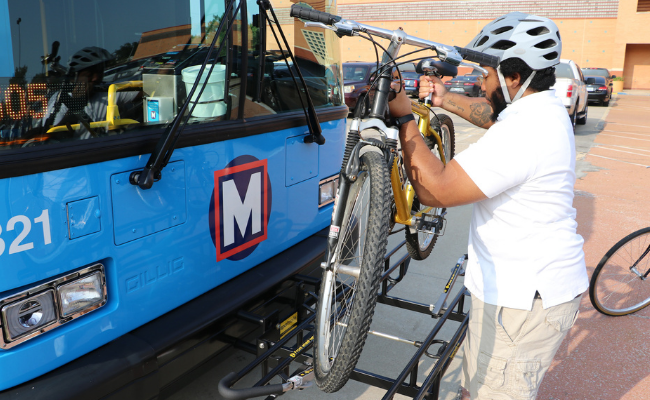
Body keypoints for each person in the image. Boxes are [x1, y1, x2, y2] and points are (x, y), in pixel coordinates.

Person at [388, 12, 589, 400]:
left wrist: (404, 118)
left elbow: (437, 190)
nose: (480, 80)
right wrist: (443, 99)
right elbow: (493, 117)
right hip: (524, 294)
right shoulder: (542, 109)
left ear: (514, 77)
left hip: (522, 303)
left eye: (486, 72)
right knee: (476, 388)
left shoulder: (525, 131)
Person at [40, 46, 141, 140]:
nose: (96, 78)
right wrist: (76, 104)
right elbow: (54, 138)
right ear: (74, 78)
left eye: (99, 73)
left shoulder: (106, 92)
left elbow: (145, 91)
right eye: (89, 75)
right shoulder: (60, 100)